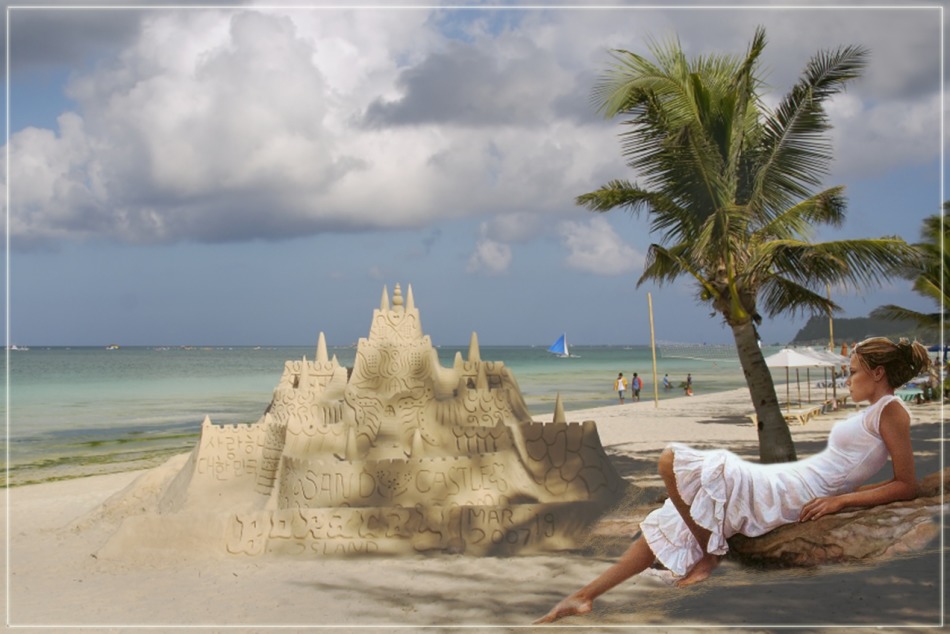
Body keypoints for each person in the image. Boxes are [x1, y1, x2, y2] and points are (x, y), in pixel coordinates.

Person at [535, 337, 929, 624]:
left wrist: (842, 501)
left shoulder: (892, 411)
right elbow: (859, 467)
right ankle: (584, 596)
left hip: (799, 492)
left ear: (878, 373)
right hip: (791, 480)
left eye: (854, 371)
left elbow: (905, 484)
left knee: (673, 461)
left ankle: (710, 552)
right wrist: (854, 490)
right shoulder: (877, 410)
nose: (848, 379)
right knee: (676, 515)